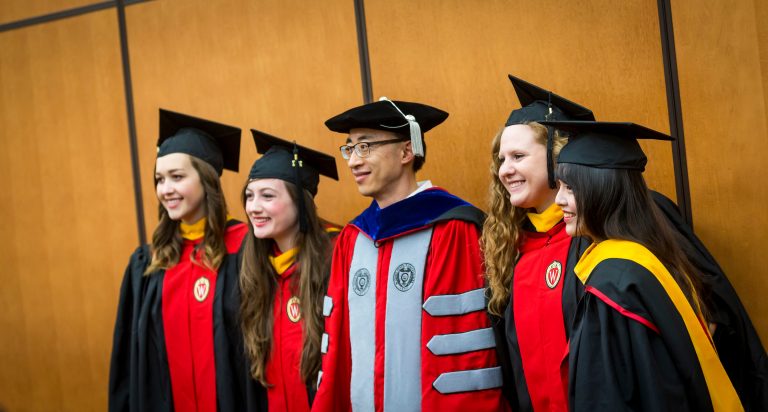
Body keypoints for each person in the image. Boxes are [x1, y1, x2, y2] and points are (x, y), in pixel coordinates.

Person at [312, 98, 506, 411]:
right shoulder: (353, 238)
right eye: (349, 148)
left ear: (406, 151)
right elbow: (337, 349)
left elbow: (462, 348)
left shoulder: (451, 228)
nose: (352, 161)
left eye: (365, 146)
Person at [546, 120, 743, 411]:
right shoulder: (653, 259)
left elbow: (605, 396)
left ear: (604, 190)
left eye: (570, 188)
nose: (559, 200)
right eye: (559, 187)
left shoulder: (613, 284)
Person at [109, 109, 264, 411]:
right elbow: (128, 363)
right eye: (159, 179)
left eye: (177, 177)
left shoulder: (248, 250)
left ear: (206, 180)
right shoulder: (149, 263)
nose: (165, 189)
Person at [482, 75, 593, 412]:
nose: (505, 170)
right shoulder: (509, 251)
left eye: (518, 156)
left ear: (556, 157)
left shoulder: (598, 236)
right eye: (502, 160)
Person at [239, 129, 339, 411]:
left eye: (267, 196)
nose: (253, 208)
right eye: (249, 196)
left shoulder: (337, 259)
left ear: (300, 201)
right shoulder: (254, 268)